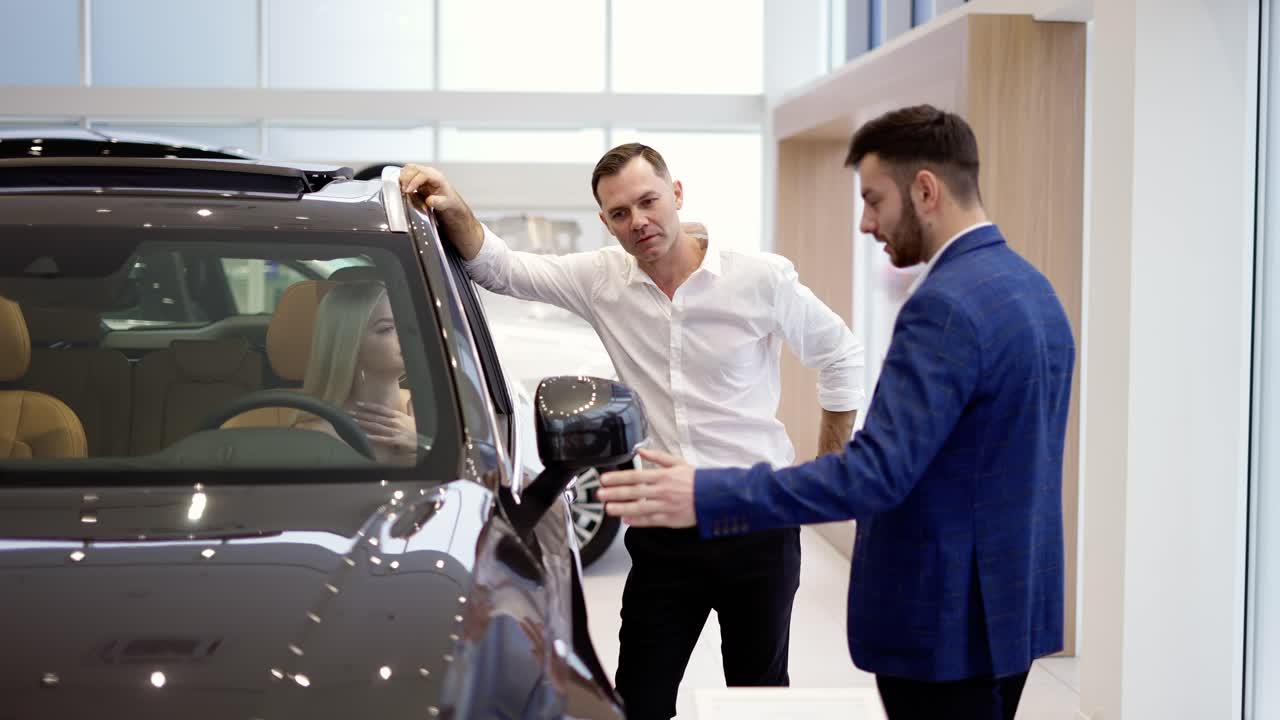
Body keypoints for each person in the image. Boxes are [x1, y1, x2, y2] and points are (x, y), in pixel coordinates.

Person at [596, 106, 1076, 720]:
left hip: (946, 616)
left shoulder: (945, 307)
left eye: (874, 199)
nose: (866, 222)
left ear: (925, 190)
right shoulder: (1029, 288)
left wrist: (707, 492)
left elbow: (875, 473)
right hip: (1011, 604)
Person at [400, 145, 867, 720]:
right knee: (639, 697)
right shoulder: (602, 279)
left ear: (676, 194)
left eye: (648, 201)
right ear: (606, 222)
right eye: (620, 213)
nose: (638, 221)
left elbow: (841, 354)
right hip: (663, 528)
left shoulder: (758, 277)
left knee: (757, 694)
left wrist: (829, 473)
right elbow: (500, 266)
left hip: (757, 521)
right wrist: (450, 204)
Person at [294, 280, 418, 464]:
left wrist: (424, 444)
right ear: (350, 344)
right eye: (387, 329)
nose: (406, 335)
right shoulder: (313, 435)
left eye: (406, 324)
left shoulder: (433, 413)